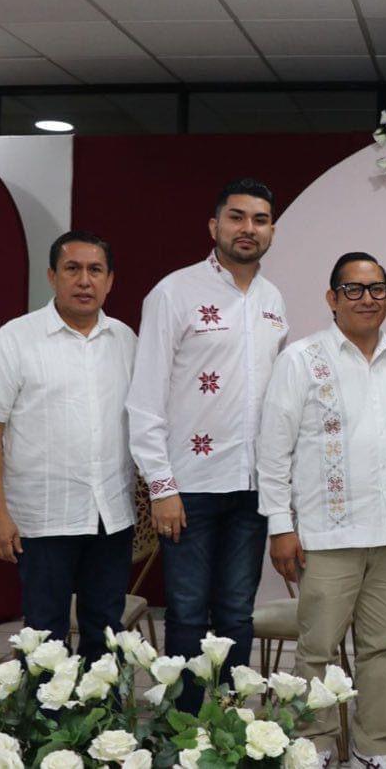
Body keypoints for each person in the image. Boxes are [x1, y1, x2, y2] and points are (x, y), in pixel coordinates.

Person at [126, 178, 288, 712]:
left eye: (260, 219)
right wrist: (162, 487)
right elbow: (145, 400)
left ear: (270, 230)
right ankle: (185, 728)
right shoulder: (175, 292)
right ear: (214, 226)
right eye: (237, 217)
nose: (249, 229)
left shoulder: (272, 300)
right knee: (190, 613)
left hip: (251, 487)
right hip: (189, 488)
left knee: (237, 612)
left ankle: (231, 723)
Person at [258, 252, 386, 769]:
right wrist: (281, 526)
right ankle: (316, 744)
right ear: (332, 298)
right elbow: (273, 449)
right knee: (317, 650)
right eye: (353, 289)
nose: (367, 299)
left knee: (383, 649)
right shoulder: (301, 360)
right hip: (326, 535)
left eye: (376, 289)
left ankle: (375, 748)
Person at [0, 231, 136, 664]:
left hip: (109, 516)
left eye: (95, 270)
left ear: (110, 280)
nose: (84, 281)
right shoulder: (15, 338)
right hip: (43, 518)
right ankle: (42, 732)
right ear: (52, 276)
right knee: (44, 637)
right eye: (72, 269)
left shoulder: (126, 340)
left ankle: (105, 729)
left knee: (107, 631)